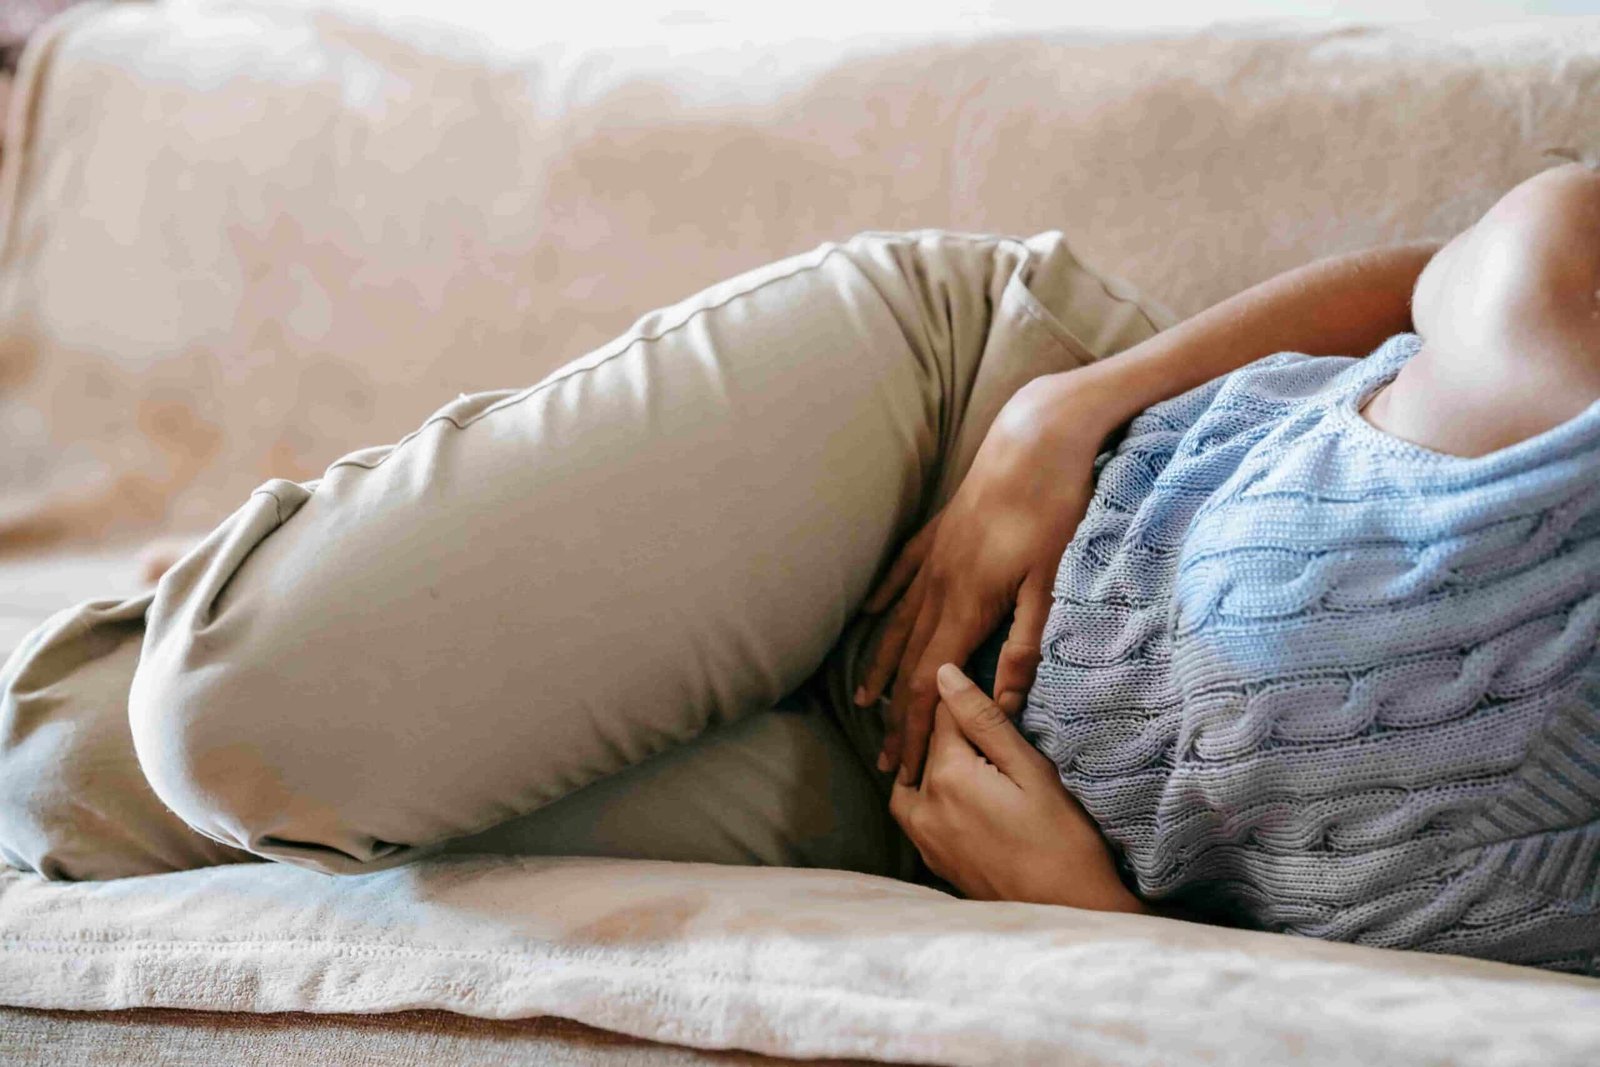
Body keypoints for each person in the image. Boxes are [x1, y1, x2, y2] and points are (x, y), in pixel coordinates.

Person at [1, 155, 1595, 976]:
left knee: (59, 786)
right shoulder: (1570, 293)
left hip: (928, 818)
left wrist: (1102, 926)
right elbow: (1444, 272)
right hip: (961, 452)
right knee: (227, 719)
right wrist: (1069, 407)